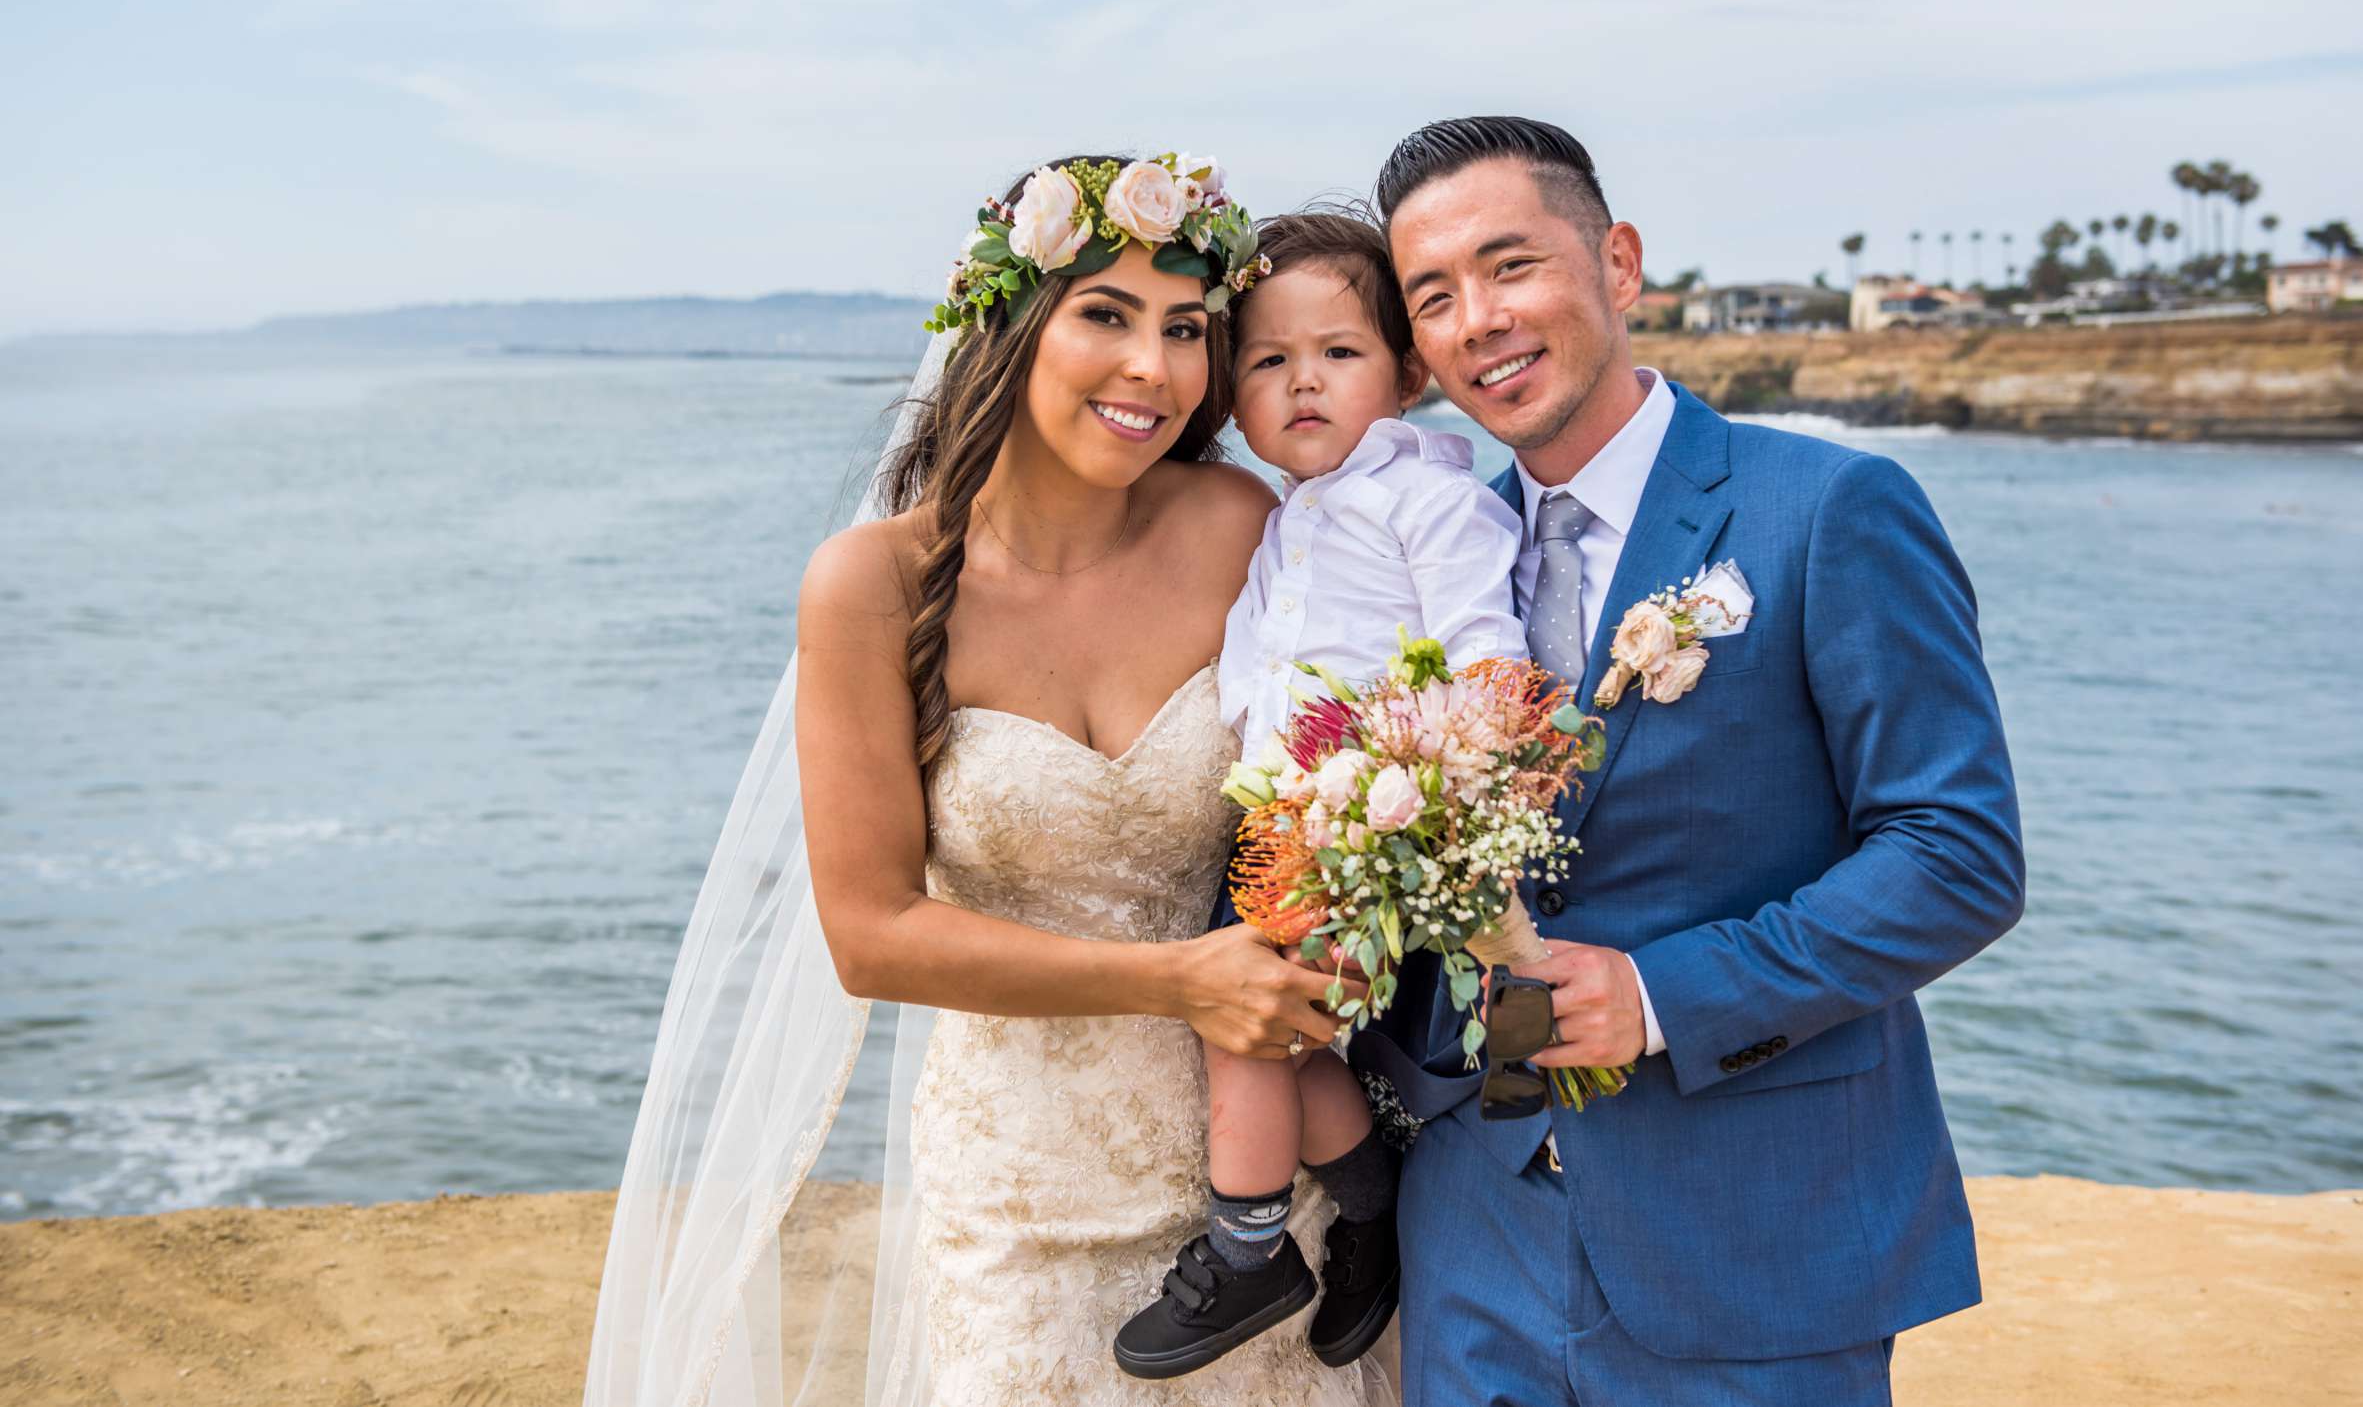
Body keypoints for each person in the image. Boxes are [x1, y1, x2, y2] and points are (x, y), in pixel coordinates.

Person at [582, 151, 1394, 1407]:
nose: (1155, 368)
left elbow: (1352, 758)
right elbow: (870, 935)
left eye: (1188, 329)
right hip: (1024, 1195)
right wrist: (1177, 980)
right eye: (1106, 316)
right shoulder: (873, 586)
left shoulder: (1243, 525)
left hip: (1260, 1175)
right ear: (1006, 330)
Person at [1347, 116, 2026, 1406]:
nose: (1478, 318)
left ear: (1619, 265)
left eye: (1512, 266)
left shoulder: (1828, 510)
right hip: (1475, 1240)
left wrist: (1660, 997)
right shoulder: (1434, 559)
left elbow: (1959, 857)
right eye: (1434, 296)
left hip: (1752, 1234)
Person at [1113, 211, 1524, 1379]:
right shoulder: (1284, 521)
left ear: (1405, 372)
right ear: (1230, 396)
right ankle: (1370, 1212)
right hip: (1276, 823)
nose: (1303, 384)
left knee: (1237, 1023)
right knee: (1286, 1044)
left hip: (1367, 820)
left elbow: (1485, 659)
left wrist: (1397, 798)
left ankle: (1249, 1249)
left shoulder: (1427, 502)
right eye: (1267, 360)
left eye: (1338, 354)